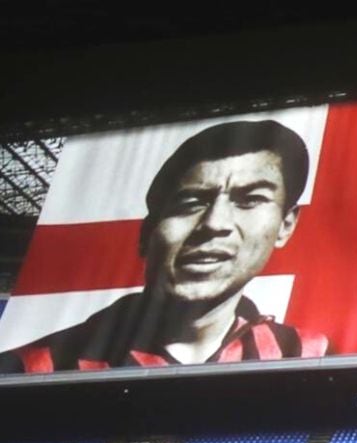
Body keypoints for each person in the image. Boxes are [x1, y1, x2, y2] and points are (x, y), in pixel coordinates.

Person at [0, 120, 328, 373]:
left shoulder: (311, 354)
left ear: (286, 225)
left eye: (250, 200)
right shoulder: (30, 368)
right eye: (190, 203)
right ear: (146, 234)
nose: (214, 224)